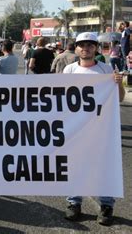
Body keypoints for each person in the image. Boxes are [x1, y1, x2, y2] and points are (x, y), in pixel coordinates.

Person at [63, 32, 125, 226]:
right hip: (77, 129)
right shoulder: (69, 70)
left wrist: (119, 84)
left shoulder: (106, 69)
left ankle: (106, 205)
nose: (86, 48)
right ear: (77, 48)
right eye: (82, 44)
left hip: (102, 130)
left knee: (104, 167)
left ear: (96, 48)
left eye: (90, 45)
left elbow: (120, 98)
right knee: (76, 166)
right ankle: (74, 203)